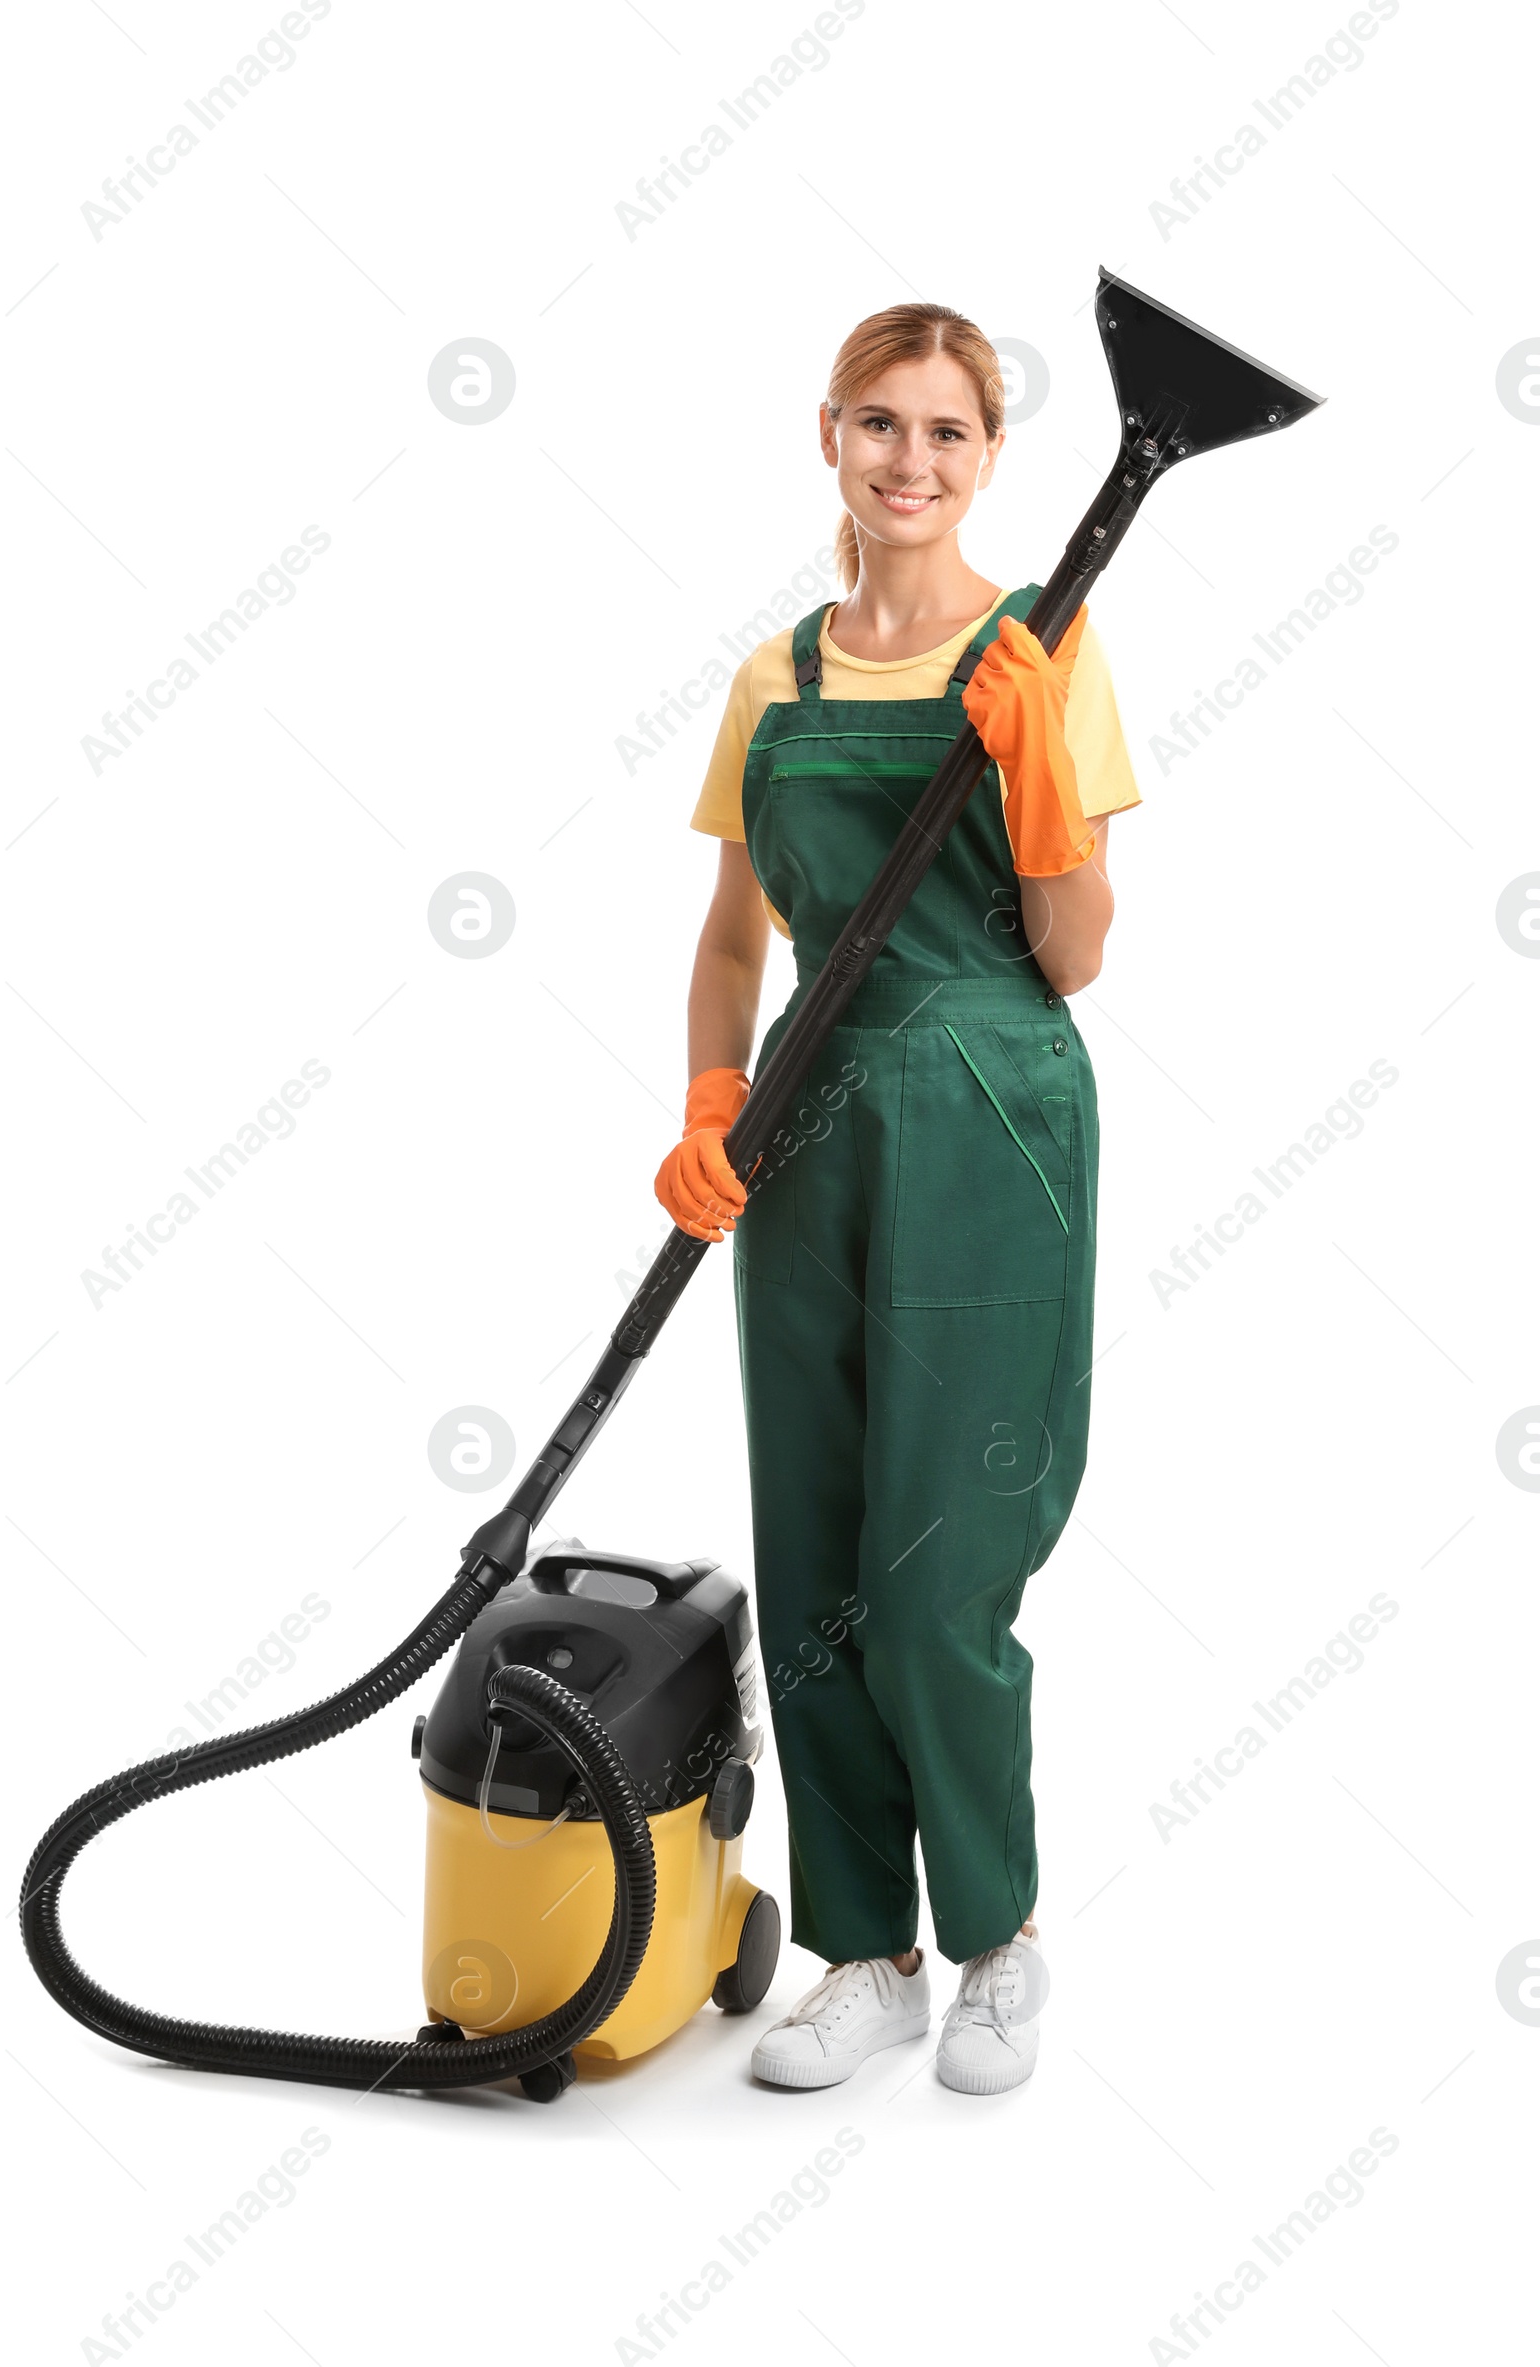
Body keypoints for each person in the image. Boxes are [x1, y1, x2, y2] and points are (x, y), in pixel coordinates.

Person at [654, 302, 1140, 2095]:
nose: (909, 462)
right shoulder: (773, 676)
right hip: (807, 1130)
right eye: (880, 425)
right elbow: (729, 939)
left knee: (941, 1566)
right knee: (820, 1556)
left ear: (990, 458)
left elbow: (1077, 955)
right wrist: (713, 1094)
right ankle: (869, 1950)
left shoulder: (1047, 652)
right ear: (832, 437)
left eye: (946, 432)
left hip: (991, 1121)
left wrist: (1029, 767)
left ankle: (1001, 1935)